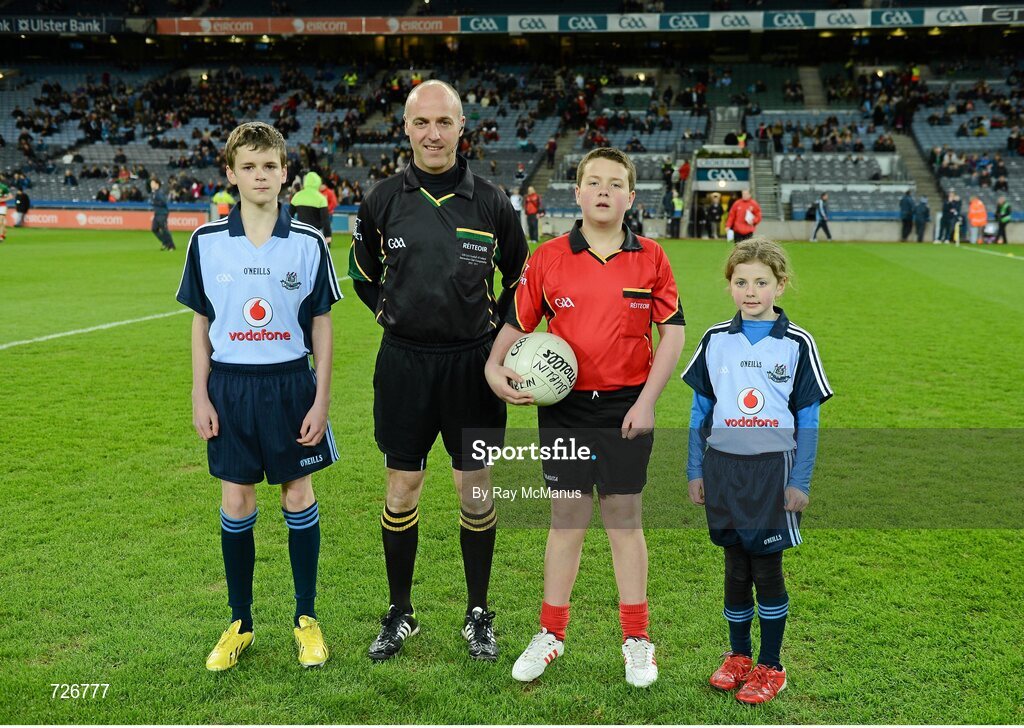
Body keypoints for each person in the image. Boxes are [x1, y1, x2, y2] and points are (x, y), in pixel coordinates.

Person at [484, 147, 686, 688]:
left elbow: (674, 334)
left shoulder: (652, 258)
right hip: (565, 408)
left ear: (630, 196)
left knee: (625, 520)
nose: (603, 191)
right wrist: (492, 366)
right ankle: (551, 633)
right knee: (566, 521)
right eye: (593, 182)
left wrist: (648, 401)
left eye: (614, 183)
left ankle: (637, 638)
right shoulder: (548, 256)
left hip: (626, 406)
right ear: (576, 194)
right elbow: (518, 323)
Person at [348, 80, 530, 663]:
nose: (432, 133)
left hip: (472, 365)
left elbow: (520, 282)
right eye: (421, 123)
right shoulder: (381, 200)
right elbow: (361, 272)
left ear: (460, 128)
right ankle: (400, 613)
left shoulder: (492, 203)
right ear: (406, 128)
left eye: (443, 123)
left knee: (474, 492)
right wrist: (388, 311)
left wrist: (497, 337)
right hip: (403, 363)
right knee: (402, 487)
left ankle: (478, 614)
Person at [176, 121, 341, 672]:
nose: (260, 175)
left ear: (285, 174)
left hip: (291, 384)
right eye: (248, 166)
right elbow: (201, 325)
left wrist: (320, 400)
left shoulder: (309, 241)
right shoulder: (205, 242)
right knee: (237, 501)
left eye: (269, 165)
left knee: (298, 494)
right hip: (230, 386)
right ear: (231, 175)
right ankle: (240, 622)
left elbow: (321, 327)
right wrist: (200, 395)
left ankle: (306, 619)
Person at [683, 237, 832, 705]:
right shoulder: (715, 339)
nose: (751, 291)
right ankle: (738, 656)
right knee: (734, 564)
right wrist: (695, 469)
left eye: (761, 282)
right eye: (741, 281)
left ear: (780, 286)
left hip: (772, 470)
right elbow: (698, 412)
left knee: (766, 568)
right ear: (730, 286)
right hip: (722, 468)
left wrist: (800, 480)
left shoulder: (796, 343)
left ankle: (771, 665)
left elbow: (808, 418)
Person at [289, 171, 332, 246]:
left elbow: (289, 217)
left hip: (300, 234)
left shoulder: (297, 196)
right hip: (316, 234)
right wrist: (328, 235)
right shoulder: (321, 198)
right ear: (318, 182)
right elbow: (325, 220)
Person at [150, 179, 176, 251]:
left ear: (157, 184)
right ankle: (165, 242)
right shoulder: (154, 192)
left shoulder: (160, 192)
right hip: (157, 213)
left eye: (152, 183)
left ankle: (171, 246)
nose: (151, 185)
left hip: (162, 213)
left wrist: (155, 202)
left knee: (164, 229)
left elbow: (164, 202)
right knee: (154, 229)